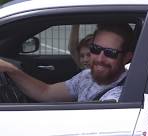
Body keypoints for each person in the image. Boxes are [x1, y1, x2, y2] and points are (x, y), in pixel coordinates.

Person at [0, 23, 133, 102]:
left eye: (110, 53)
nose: (99, 58)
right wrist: (11, 70)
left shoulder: (123, 93)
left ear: (127, 57)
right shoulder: (87, 76)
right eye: (95, 49)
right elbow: (45, 92)